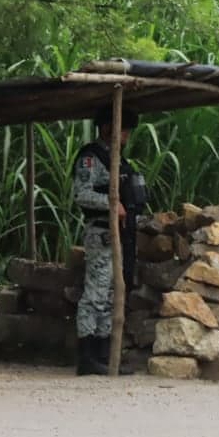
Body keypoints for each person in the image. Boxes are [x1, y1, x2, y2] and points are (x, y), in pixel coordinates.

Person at [72, 108, 147, 376]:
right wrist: (112, 205)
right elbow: (81, 194)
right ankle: (87, 356)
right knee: (96, 294)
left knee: (112, 294)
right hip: (101, 233)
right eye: (123, 130)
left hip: (120, 237)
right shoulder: (92, 158)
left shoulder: (118, 161)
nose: (126, 136)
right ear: (107, 129)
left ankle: (103, 356)